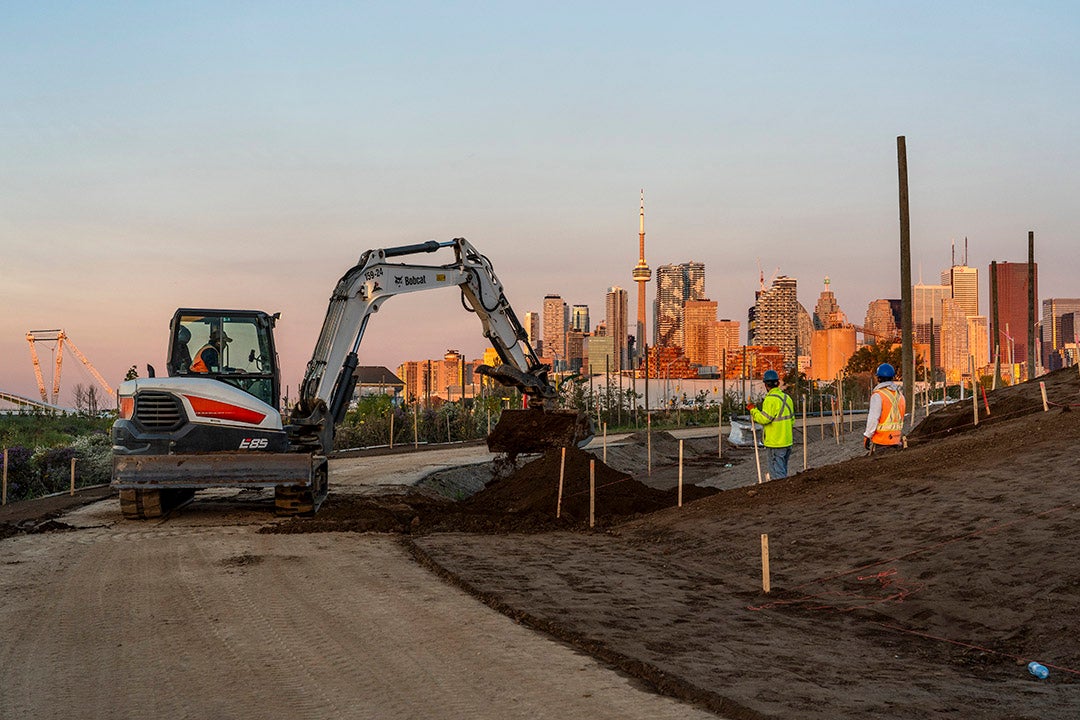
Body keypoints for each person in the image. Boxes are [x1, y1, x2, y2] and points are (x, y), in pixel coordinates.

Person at [747, 369, 795, 479]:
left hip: (775, 443)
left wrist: (753, 410)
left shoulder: (770, 400)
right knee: (782, 469)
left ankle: (781, 494)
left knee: (777, 474)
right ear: (777, 383)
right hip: (787, 441)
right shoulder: (787, 398)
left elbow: (764, 419)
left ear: (766, 385)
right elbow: (792, 420)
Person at [863, 362, 906, 454]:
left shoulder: (878, 395)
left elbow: (873, 418)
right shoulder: (900, 396)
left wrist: (867, 435)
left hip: (882, 441)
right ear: (893, 377)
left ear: (878, 378)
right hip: (897, 439)